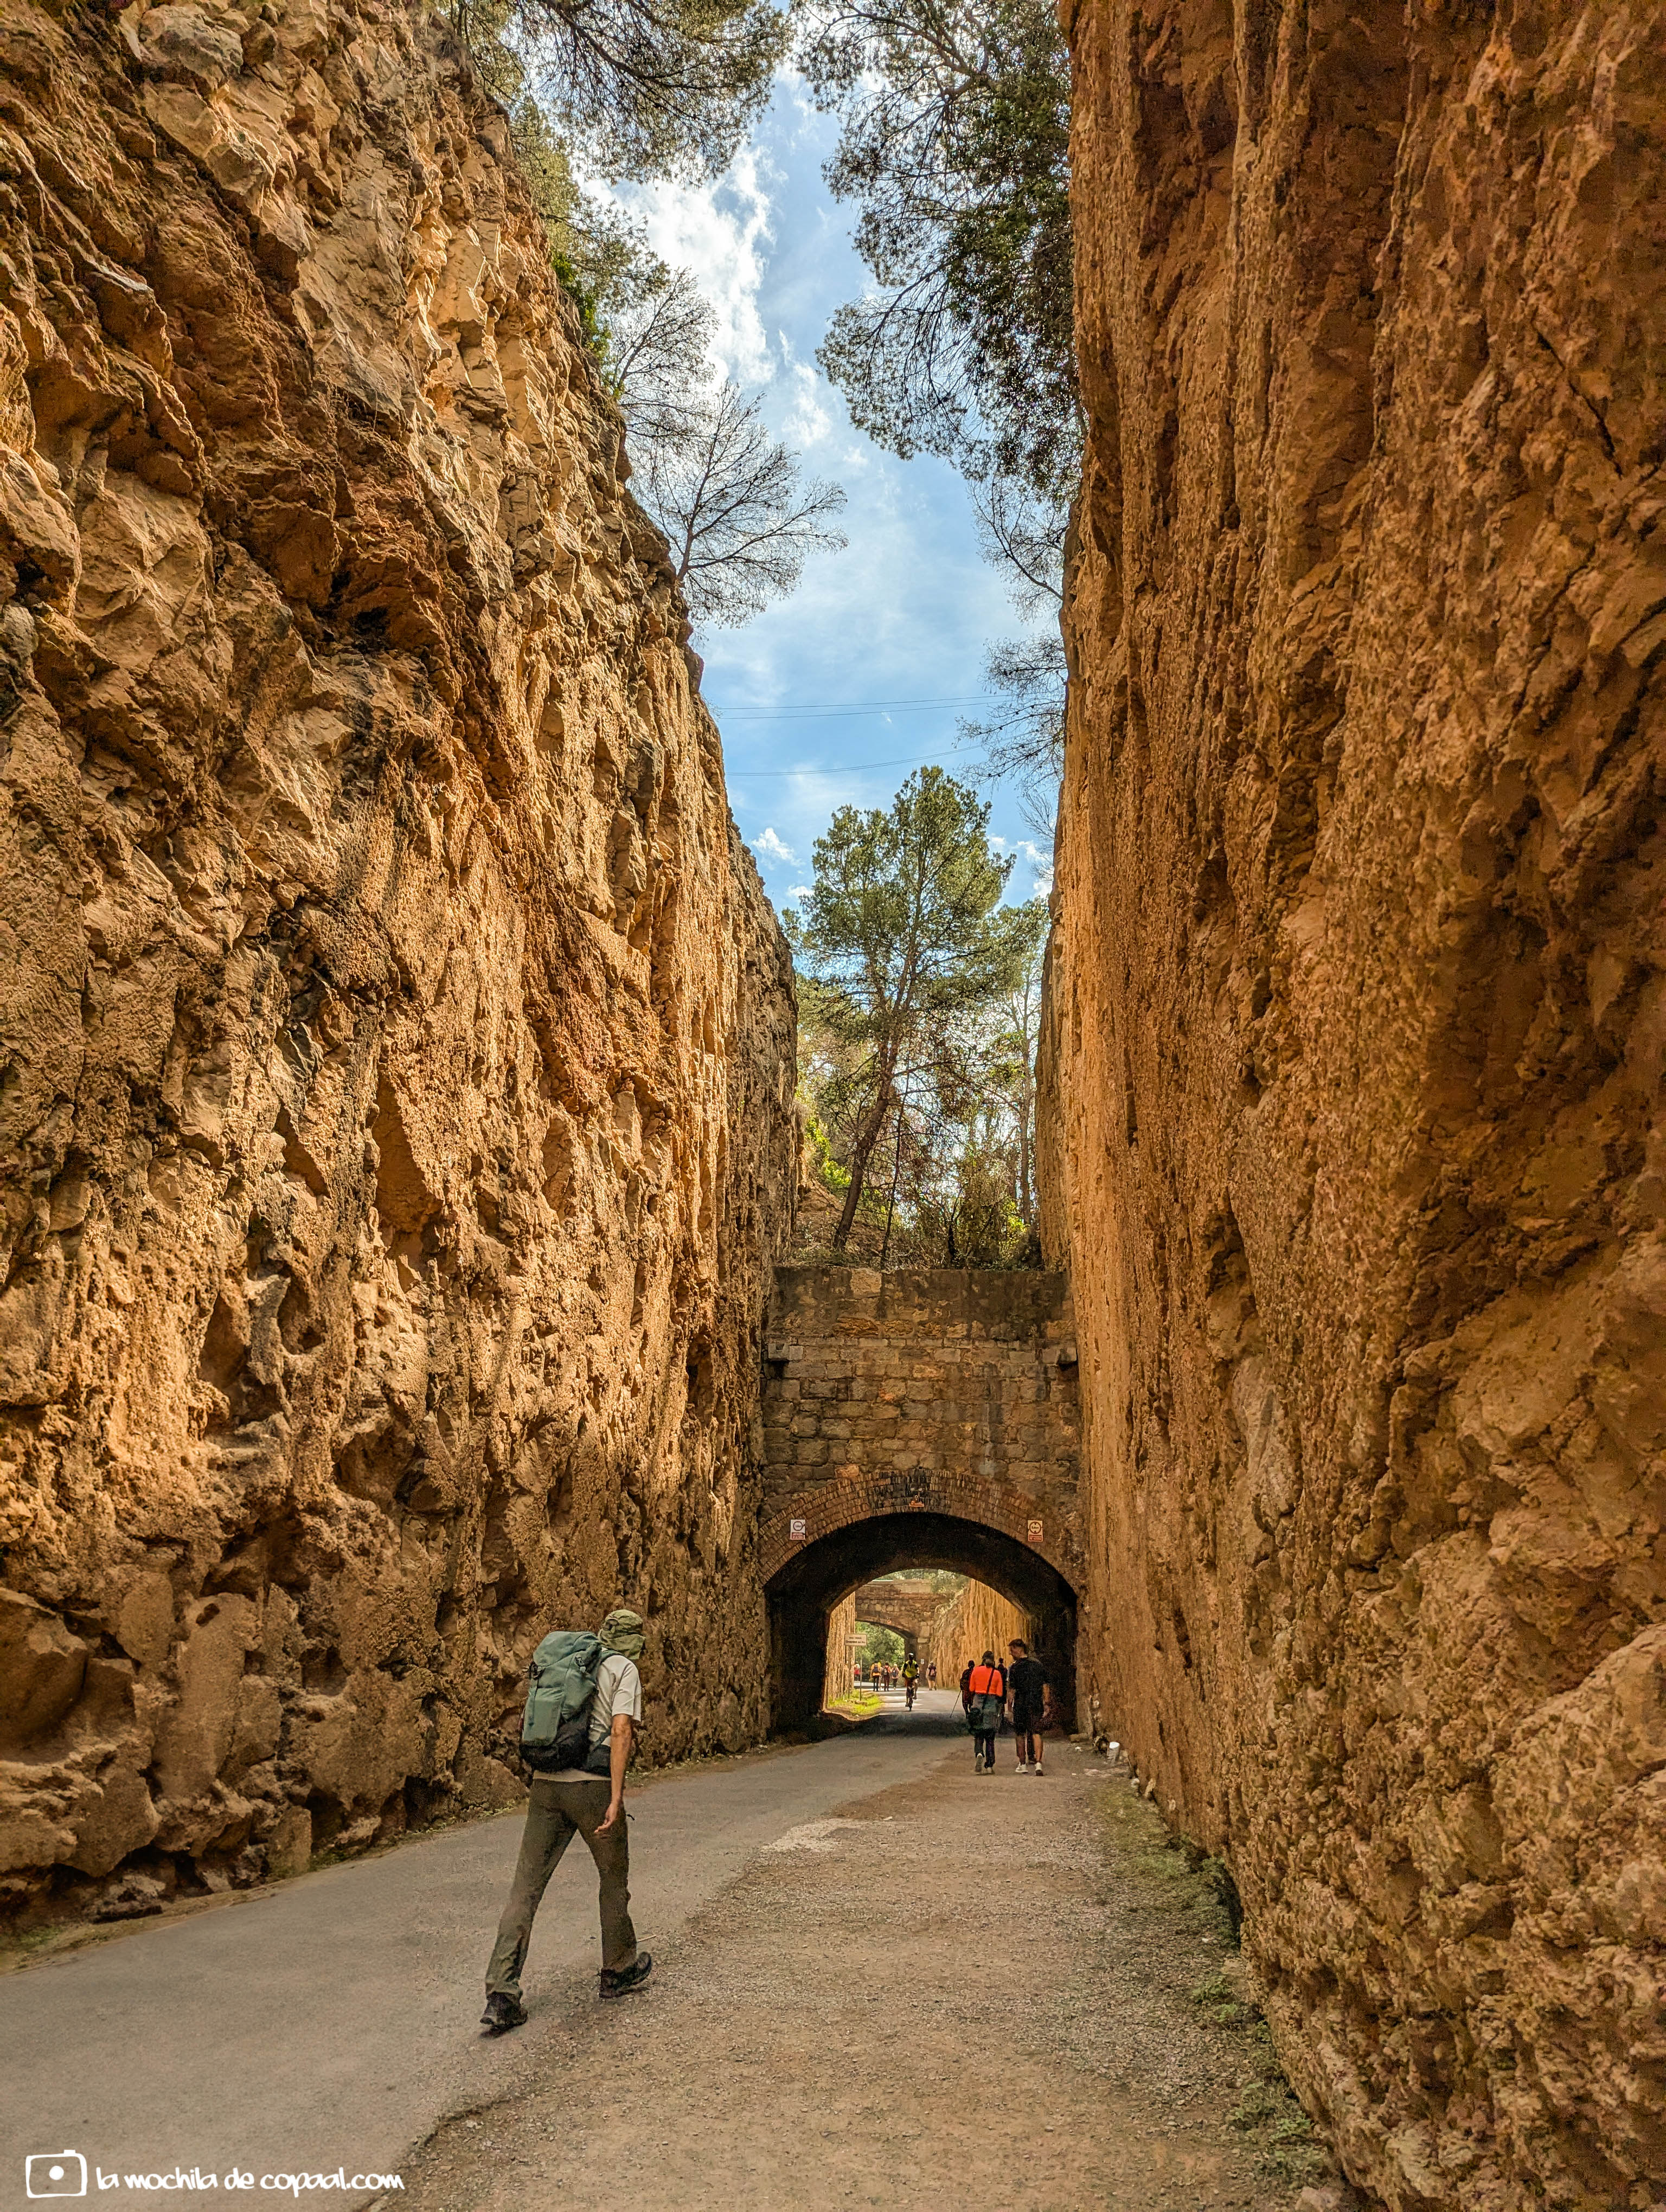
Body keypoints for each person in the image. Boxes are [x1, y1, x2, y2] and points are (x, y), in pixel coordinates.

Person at [481, 1607, 653, 2032]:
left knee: (526, 1887)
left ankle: (501, 1994)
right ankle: (618, 1969)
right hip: (591, 1786)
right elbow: (621, 1732)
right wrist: (615, 1797)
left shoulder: (569, 1661)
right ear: (634, 1641)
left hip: (546, 1784)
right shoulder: (623, 1669)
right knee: (612, 1879)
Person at [1006, 1637, 1051, 1774]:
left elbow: (1011, 1690)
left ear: (1019, 1649)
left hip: (1021, 1704)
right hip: (1036, 1703)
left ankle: (1023, 1764)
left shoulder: (1014, 1667)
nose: (1011, 1653)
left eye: (1012, 1649)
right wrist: (1046, 1703)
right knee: (1037, 1733)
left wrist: (1009, 1709)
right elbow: (1045, 1686)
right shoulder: (1038, 1665)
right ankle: (1038, 1764)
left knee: (1020, 1735)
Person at [966, 1650, 1005, 1773]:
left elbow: (971, 1688)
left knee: (978, 1733)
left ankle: (979, 1753)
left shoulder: (976, 1671)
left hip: (977, 1704)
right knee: (990, 1736)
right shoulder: (997, 1674)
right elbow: (1000, 1693)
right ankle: (989, 1765)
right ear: (993, 1660)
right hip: (991, 1706)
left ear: (982, 1659)